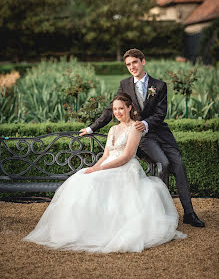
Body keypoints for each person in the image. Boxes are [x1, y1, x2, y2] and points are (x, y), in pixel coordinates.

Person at [23, 94, 186, 253]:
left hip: (125, 168)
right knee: (82, 179)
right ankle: (80, 229)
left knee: (96, 182)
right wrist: (94, 168)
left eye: (121, 108)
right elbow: (106, 155)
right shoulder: (113, 129)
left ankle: (102, 229)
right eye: (115, 109)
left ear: (129, 108)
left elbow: (126, 156)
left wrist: (100, 169)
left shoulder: (135, 128)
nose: (118, 112)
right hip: (109, 165)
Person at [80, 48, 205, 228]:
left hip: (160, 133)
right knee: (163, 163)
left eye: (135, 62)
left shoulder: (159, 85)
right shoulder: (125, 85)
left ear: (143, 61)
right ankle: (162, 212)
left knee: (178, 164)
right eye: (128, 64)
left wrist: (146, 123)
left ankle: (189, 214)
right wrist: (92, 128)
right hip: (142, 139)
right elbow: (111, 109)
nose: (132, 67)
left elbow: (160, 113)